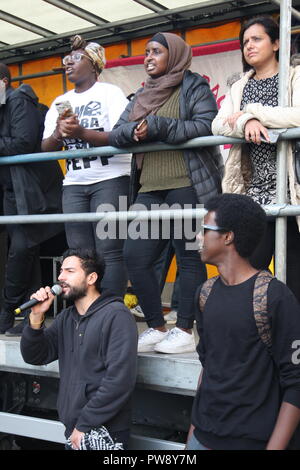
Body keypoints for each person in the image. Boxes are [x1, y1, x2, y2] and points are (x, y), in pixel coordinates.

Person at [109, 32, 223, 354]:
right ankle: (158, 326)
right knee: (135, 256)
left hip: (186, 183)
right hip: (149, 189)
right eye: (146, 52)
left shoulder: (193, 86)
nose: (148, 57)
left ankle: (185, 329)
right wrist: (133, 131)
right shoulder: (142, 93)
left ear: (173, 55)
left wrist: (159, 127)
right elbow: (117, 133)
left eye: (156, 52)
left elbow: (206, 125)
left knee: (188, 256)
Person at [187, 193, 300, 450]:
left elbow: (296, 383)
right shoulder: (204, 293)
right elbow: (208, 368)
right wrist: (192, 438)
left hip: (252, 441)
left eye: (205, 230)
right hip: (202, 438)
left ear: (228, 236)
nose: (197, 237)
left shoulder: (275, 296)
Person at [211, 16, 300, 303]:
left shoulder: (295, 77)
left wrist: (254, 112)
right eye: (245, 41)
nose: (249, 46)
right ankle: (254, 341)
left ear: (276, 43)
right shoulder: (238, 86)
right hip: (255, 196)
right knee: (248, 272)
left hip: (293, 193)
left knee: (295, 277)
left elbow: (297, 115)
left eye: (257, 39)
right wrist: (245, 120)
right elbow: (218, 124)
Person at [20, 248, 138, 450]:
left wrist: (85, 423)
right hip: (76, 428)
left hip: (103, 431)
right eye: (60, 271)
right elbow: (35, 355)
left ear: (91, 277)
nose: (60, 277)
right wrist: (36, 317)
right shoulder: (66, 318)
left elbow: (120, 379)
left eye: (69, 271)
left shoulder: (116, 315)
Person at [42, 35, 131, 297]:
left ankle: (111, 309)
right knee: (80, 254)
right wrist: (59, 133)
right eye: (67, 59)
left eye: (77, 58)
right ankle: (85, 311)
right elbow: (45, 148)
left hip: (112, 178)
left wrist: (81, 131)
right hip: (74, 184)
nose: (68, 62)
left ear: (93, 64)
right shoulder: (59, 100)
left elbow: (121, 135)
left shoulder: (110, 94)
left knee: (110, 249)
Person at [0, 63, 63, 336]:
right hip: (16, 192)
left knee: (22, 249)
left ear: (3, 81)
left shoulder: (19, 100)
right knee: (26, 250)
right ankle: (26, 315)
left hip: (32, 192)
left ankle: (7, 313)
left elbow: (24, 142)